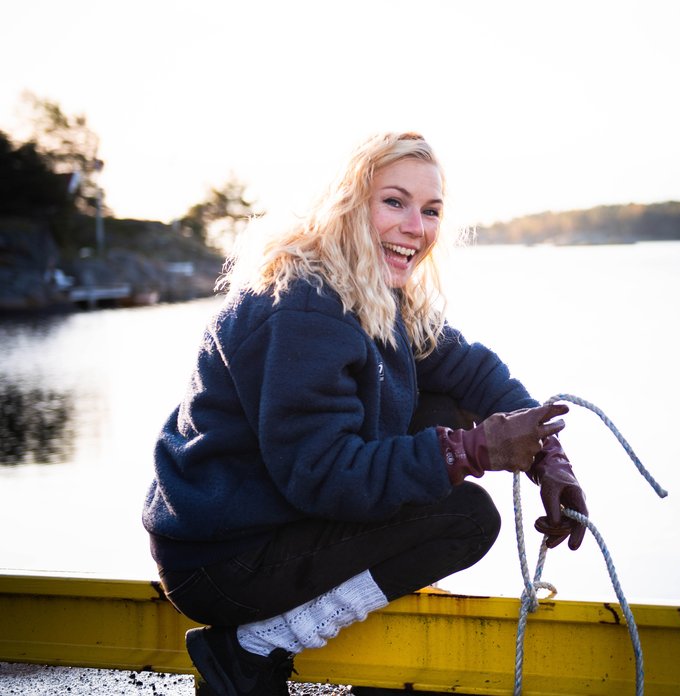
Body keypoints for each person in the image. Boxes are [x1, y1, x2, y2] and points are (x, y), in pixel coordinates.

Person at [142, 132, 588, 696]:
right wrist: (473, 450)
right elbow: (325, 474)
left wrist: (549, 457)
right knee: (465, 518)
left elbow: (473, 371)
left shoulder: (369, 292)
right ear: (348, 206)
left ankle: (329, 632)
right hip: (223, 561)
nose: (416, 227)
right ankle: (253, 647)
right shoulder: (306, 304)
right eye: (394, 202)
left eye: (430, 211)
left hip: (266, 522)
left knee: (442, 404)